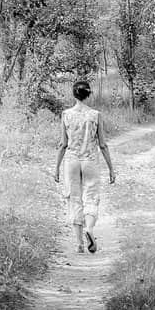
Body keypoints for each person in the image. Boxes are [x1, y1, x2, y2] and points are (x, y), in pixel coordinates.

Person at [52, 79, 116, 253]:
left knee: (74, 199)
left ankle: (79, 244)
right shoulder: (95, 115)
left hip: (71, 161)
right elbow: (102, 144)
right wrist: (111, 168)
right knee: (91, 197)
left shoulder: (66, 115)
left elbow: (62, 144)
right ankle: (89, 228)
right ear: (88, 94)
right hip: (90, 161)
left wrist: (57, 167)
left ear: (74, 94)